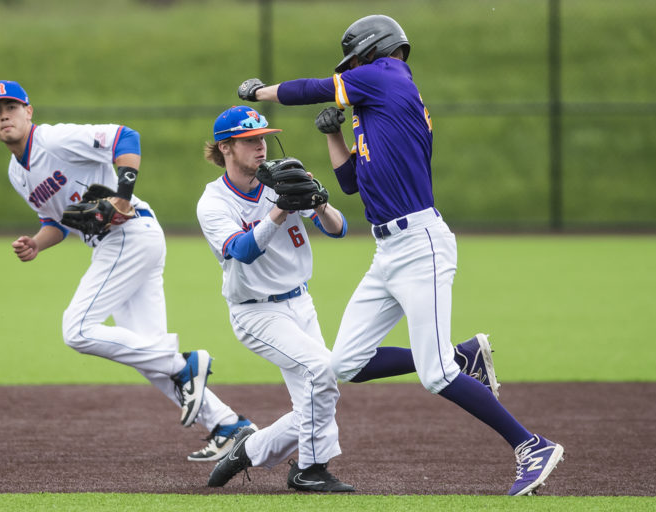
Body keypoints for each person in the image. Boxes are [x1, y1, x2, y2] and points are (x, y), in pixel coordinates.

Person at [236, 14, 564, 496]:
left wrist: (260, 92)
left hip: (421, 244)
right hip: (388, 251)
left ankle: (531, 444)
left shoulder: (388, 74)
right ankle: (463, 355)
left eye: (355, 61)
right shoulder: (376, 107)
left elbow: (312, 87)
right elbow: (351, 185)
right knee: (345, 363)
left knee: (436, 376)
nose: (352, 70)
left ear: (374, 51)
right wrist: (334, 136)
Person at [0, 79, 255, 462]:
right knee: (148, 354)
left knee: (76, 330)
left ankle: (186, 364)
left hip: (128, 234)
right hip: (126, 241)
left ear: (29, 111)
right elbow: (57, 221)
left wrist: (121, 198)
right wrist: (36, 244)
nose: (3, 115)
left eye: (10, 107)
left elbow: (126, 137)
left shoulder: (55, 140)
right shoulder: (17, 172)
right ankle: (228, 425)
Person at [198, 106, 354, 492]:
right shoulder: (214, 202)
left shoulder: (280, 179)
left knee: (320, 394)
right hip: (257, 312)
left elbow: (338, 230)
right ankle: (309, 470)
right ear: (226, 147)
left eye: (263, 138)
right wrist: (281, 209)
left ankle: (248, 450)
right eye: (250, 141)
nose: (261, 147)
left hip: (301, 302)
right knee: (321, 369)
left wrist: (319, 202)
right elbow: (244, 250)